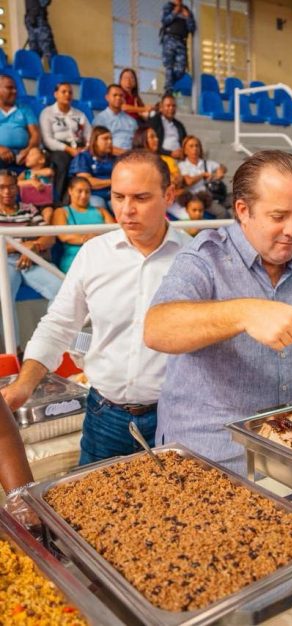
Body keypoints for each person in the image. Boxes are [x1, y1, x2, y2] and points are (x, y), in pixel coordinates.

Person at [143, 150, 292, 474]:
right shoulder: (206, 257)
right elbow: (157, 328)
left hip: (286, 453)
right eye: (278, 216)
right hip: (207, 458)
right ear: (243, 211)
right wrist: (245, 313)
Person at [1, 151, 190, 466]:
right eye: (117, 197)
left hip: (176, 415)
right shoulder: (94, 254)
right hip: (105, 416)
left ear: (168, 195)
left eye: (141, 198)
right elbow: (58, 325)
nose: (126, 210)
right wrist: (25, 384)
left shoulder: (194, 257)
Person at [0, 170, 61, 309]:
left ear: (17, 188)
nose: (6, 191)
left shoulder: (29, 209)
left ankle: (50, 331)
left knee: (62, 290)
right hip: (4, 260)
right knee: (4, 299)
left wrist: (35, 246)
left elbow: (50, 236)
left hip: (31, 259)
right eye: (1, 187)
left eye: (11, 186)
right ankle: (11, 332)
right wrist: (23, 246)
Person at [39, 82, 91, 202]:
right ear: (55, 94)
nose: (67, 95)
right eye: (64, 92)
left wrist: (86, 147)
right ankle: (58, 201)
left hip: (79, 147)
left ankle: (77, 200)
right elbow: (47, 140)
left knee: (87, 161)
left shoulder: (79, 114)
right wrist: (68, 149)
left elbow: (89, 135)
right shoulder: (47, 113)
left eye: (70, 92)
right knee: (63, 162)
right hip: (57, 148)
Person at [52, 176, 115, 273]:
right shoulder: (61, 212)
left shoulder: (101, 211)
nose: (84, 195)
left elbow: (114, 232)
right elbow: (64, 236)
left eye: (87, 192)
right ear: (70, 191)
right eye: (80, 191)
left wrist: (92, 238)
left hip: (103, 257)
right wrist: (87, 239)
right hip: (75, 260)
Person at [177, 135, 228, 218]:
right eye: (191, 146)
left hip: (212, 194)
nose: (195, 149)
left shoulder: (206, 163)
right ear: (185, 151)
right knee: (223, 213)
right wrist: (203, 175)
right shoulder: (182, 166)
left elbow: (223, 167)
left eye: (197, 146)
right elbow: (188, 182)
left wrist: (220, 171)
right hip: (195, 198)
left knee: (236, 198)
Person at [68, 126, 115, 210]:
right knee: (98, 205)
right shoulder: (83, 157)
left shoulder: (114, 158)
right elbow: (87, 182)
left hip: (113, 195)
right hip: (92, 195)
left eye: (111, 139)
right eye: (105, 139)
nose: (110, 142)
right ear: (95, 141)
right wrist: (113, 181)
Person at [0, 74, 40, 171]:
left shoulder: (25, 109)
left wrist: (28, 150)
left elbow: (35, 134)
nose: (14, 91)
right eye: (9, 88)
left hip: (22, 152)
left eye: (15, 88)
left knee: (41, 160)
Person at [160, 0, 196, 94]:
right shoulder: (168, 6)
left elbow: (192, 28)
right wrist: (175, 12)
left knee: (181, 70)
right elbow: (164, 21)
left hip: (181, 41)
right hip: (169, 39)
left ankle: (171, 83)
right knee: (169, 66)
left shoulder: (186, 10)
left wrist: (187, 17)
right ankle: (168, 90)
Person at [92, 85, 138, 153]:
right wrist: (124, 153)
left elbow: (138, 142)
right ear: (107, 97)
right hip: (110, 156)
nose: (118, 98)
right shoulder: (100, 120)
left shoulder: (132, 121)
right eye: (115, 95)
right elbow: (99, 146)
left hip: (132, 157)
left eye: (121, 95)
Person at [148, 94, 186, 159]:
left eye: (173, 106)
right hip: (160, 158)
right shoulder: (154, 122)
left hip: (178, 159)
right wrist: (170, 153)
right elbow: (150, 144)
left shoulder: (179, 125)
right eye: (168, 106)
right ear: (161, 108)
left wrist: (183, 152)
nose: (171, 108)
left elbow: (185, 142)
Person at [24, 0, 57, 66]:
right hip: (35, 19)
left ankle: (55, 73)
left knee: (40, 50)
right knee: (43, 50)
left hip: (34, 19)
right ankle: (56, 73)